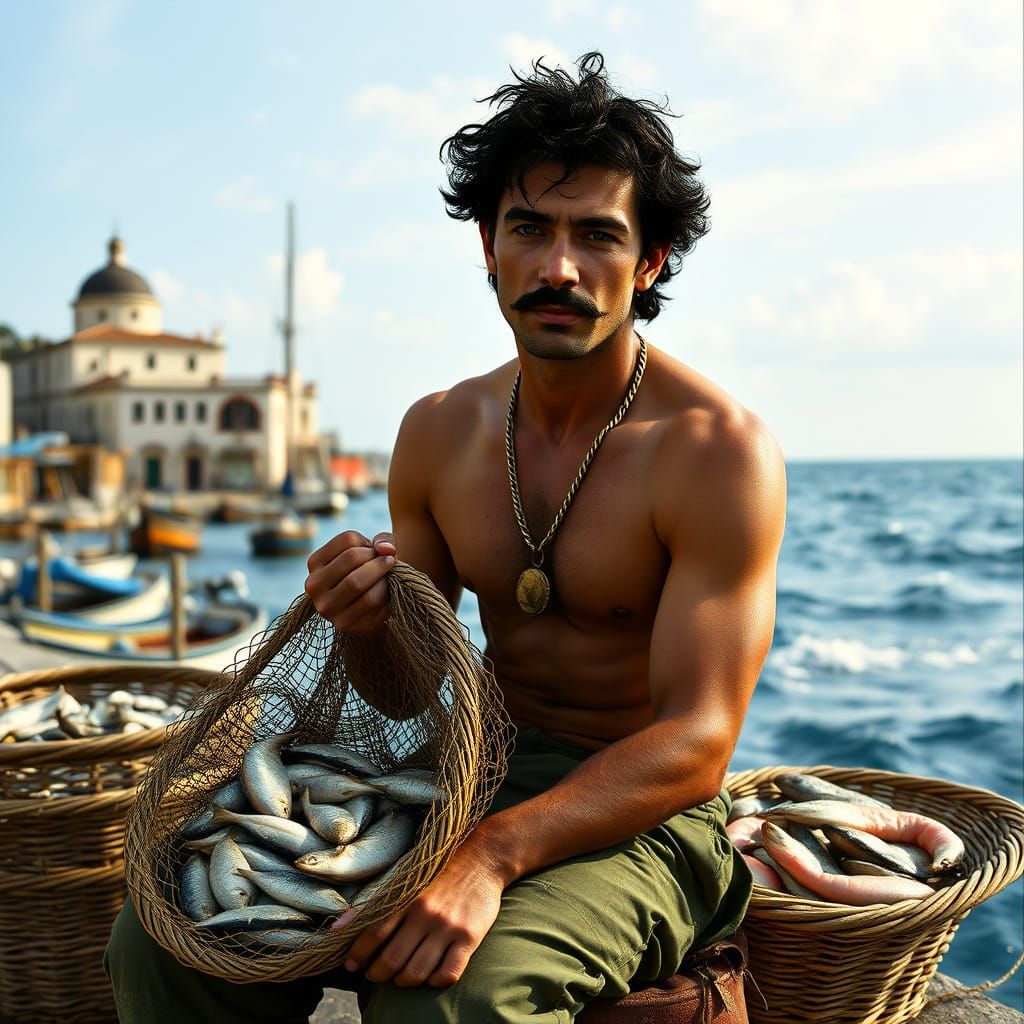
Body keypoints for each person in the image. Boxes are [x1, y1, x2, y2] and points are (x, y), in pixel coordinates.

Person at [105, 51, 785, 1023]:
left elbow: (696, 742)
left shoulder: (715, 453)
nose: (559, 267)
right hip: (471, 769)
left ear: (649, 262)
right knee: (164, 940)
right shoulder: (440, 431)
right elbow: (401, 689)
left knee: (446, 998)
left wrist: (491, 856)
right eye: (530, 229)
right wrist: (362, 621)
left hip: (646, 818)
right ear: (486, 244)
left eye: (597, 236)